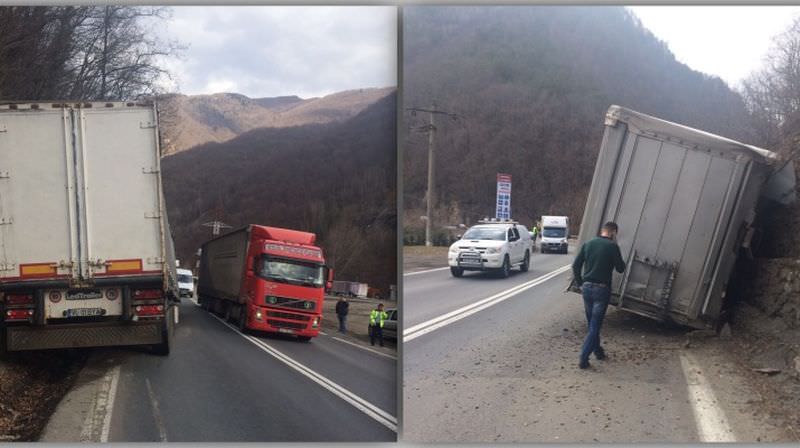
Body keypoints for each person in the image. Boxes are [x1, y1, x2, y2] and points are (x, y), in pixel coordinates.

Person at [571, 221, 626, 370]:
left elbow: (575, 266)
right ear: (613, 232)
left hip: (587, 288)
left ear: (602, 231)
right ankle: (583, 357)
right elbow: (620, 269)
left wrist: (581, 283)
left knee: (591, 324)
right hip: (602, 290)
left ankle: (598, 351)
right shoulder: (613, 247)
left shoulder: (588, 243)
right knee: (595, 326)